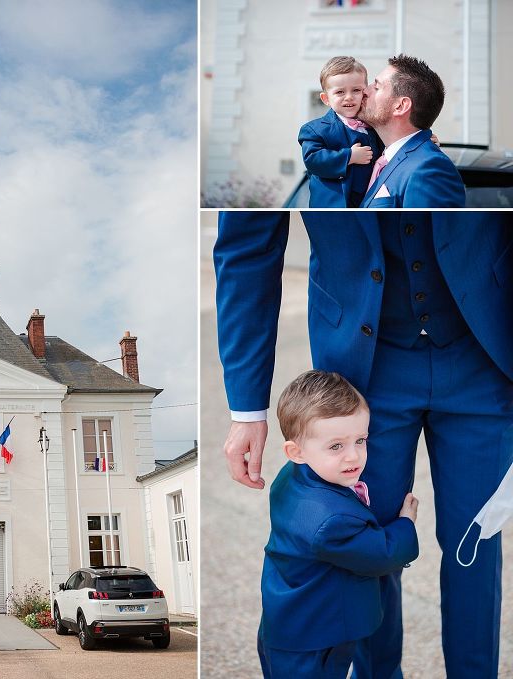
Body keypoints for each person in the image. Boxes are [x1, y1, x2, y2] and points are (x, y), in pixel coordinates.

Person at [214, 212, 513, 678]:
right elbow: (248, 247)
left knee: (474, 547)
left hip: (483, 347)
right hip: (363, 370)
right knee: (365, 548)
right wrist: (247, 409)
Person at [258, 370, 419, 679]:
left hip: (289, 622)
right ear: (296, 452)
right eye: (336, 446)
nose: (354, 456)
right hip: (315, 637)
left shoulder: (290, 478)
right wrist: (405, 523)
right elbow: (381, 555)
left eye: (361, 440)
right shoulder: (331, 521)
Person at [357, 54, 465, 208]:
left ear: (400, 106)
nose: (364, 91)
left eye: (376, 87)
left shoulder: (429, 170)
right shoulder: (376, 154)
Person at [298, 56, 384, 208]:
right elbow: (313, 160)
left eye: (356, 90)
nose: (349, 97)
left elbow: (395, 140)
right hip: (333, 206)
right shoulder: (315, 130)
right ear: (326, 99)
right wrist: (349, 156)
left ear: (365, 93)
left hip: (369, 204)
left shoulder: (376, 123)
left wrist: (421, 139)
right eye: (340, 92)